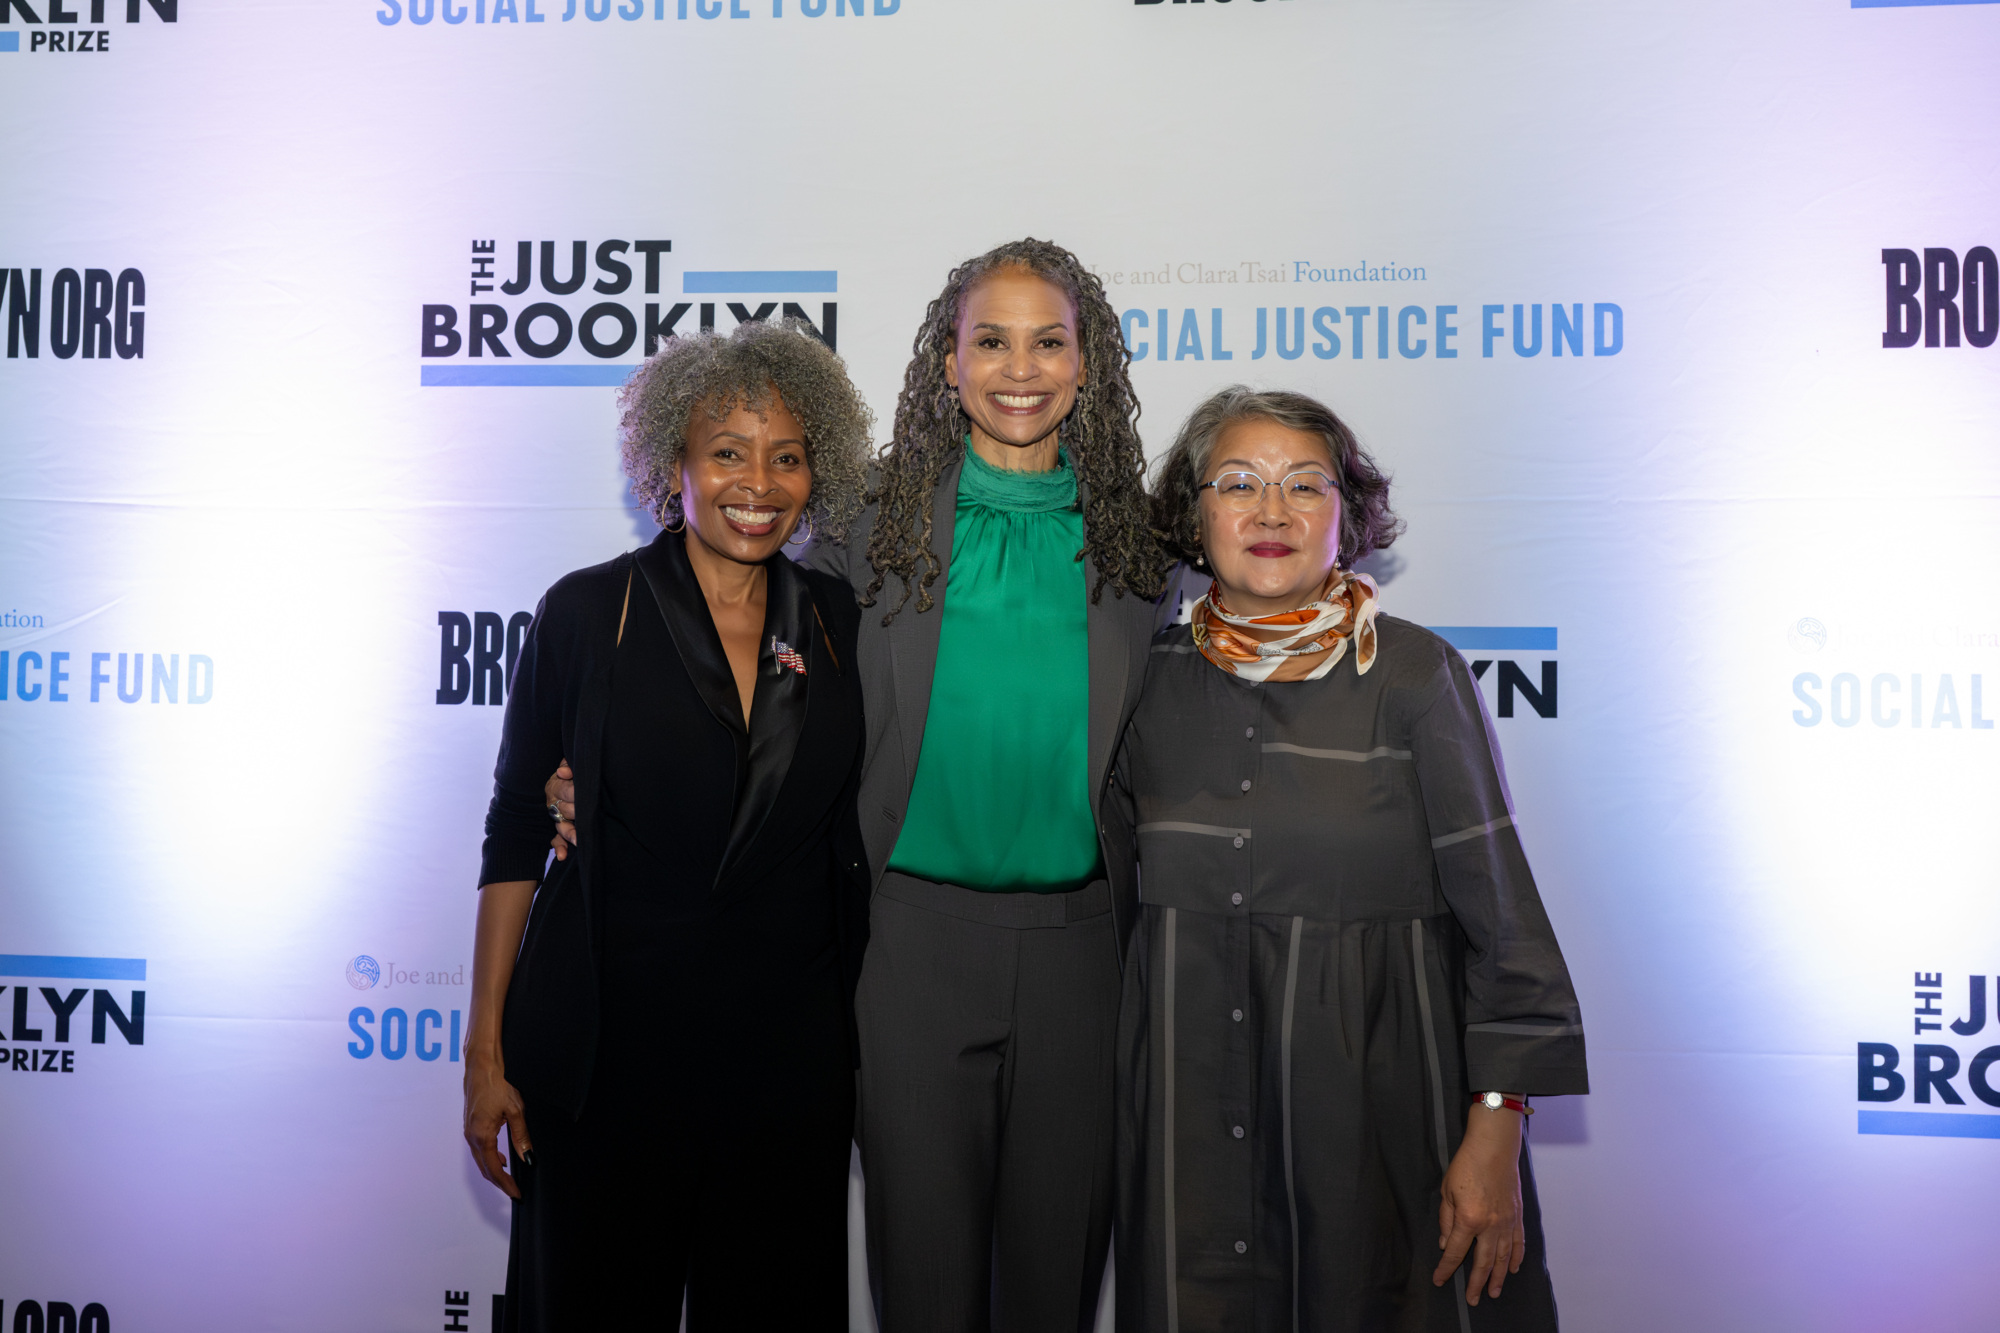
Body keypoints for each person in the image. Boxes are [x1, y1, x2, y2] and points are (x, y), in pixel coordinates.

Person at [1110, 387, 1588, 1333]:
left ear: (1349, 514)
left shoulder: (1413, 674)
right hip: (1188, 1136)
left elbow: (1504, 925)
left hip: (1379, 1132)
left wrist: (1494, 1127)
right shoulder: (1141, 681)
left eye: (1306, 486)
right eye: (1239, 483)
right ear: (1194, 513)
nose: (1273, 512)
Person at [462, 320, 875, 1331]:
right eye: (725, 452)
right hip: (607, 1059)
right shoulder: (587, 611)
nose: (757, 482)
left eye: (786, 456)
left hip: (785, 1067)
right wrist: (484, 1051)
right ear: (671, 463)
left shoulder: (838, 620)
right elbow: (518, 829)